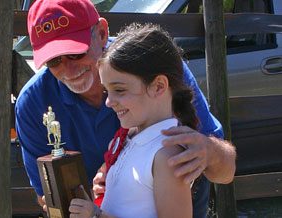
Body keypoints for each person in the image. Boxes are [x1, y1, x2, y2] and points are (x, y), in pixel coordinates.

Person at [15, 0, 236, 217]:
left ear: (101, 32)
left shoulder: (153, 63)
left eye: (76, 53)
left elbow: (226, 171)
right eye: (54, 61)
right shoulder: (32, 103)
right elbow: (47, 195)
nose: (69, 69)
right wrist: (96, 194)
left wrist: (209, 152)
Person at [69, 22, 195, 218]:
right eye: (106, 91)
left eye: (119, 90)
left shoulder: (166, 155)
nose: (109, 102)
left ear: (158, 86)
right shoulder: (129, 139)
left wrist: (96, 216)